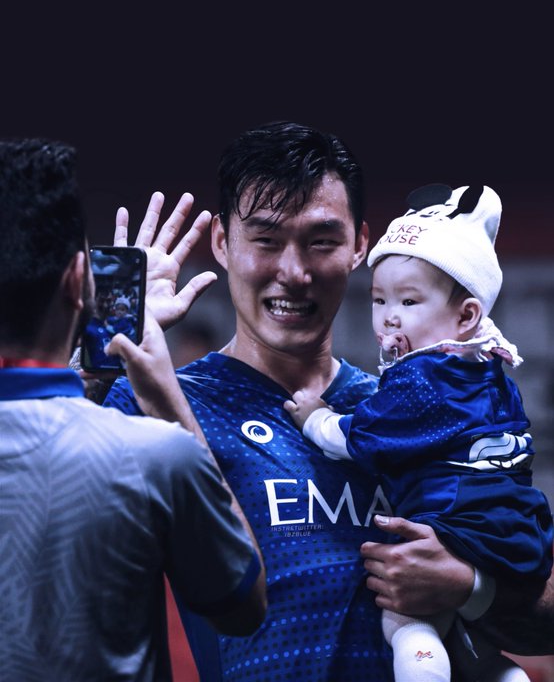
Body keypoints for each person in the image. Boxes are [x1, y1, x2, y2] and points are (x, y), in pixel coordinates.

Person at [103, 121, 554, 682]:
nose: (294, 273)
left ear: (359, 246)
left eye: (321, 241)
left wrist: (472, 586)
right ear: (222, 242)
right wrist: (107, 339)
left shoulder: (413, 408)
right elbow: (29, 484)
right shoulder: (160, 403)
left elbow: (544, 611)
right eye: (266, 240)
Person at [0, 138, 267, 682]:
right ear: (78, 280)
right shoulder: (156, 456)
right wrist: (165, 396)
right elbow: (242, 605)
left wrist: (96, 365)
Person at [284, 181, 554, 682]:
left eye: (409, 301)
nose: (389, 316)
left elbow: (357, 438)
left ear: (467, 314)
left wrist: (315, 416)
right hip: (519, 530)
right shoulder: (491, 371)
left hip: (458, 524)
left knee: (406, 618)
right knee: (468, 637)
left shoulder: (421, 379)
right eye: (379, 299)